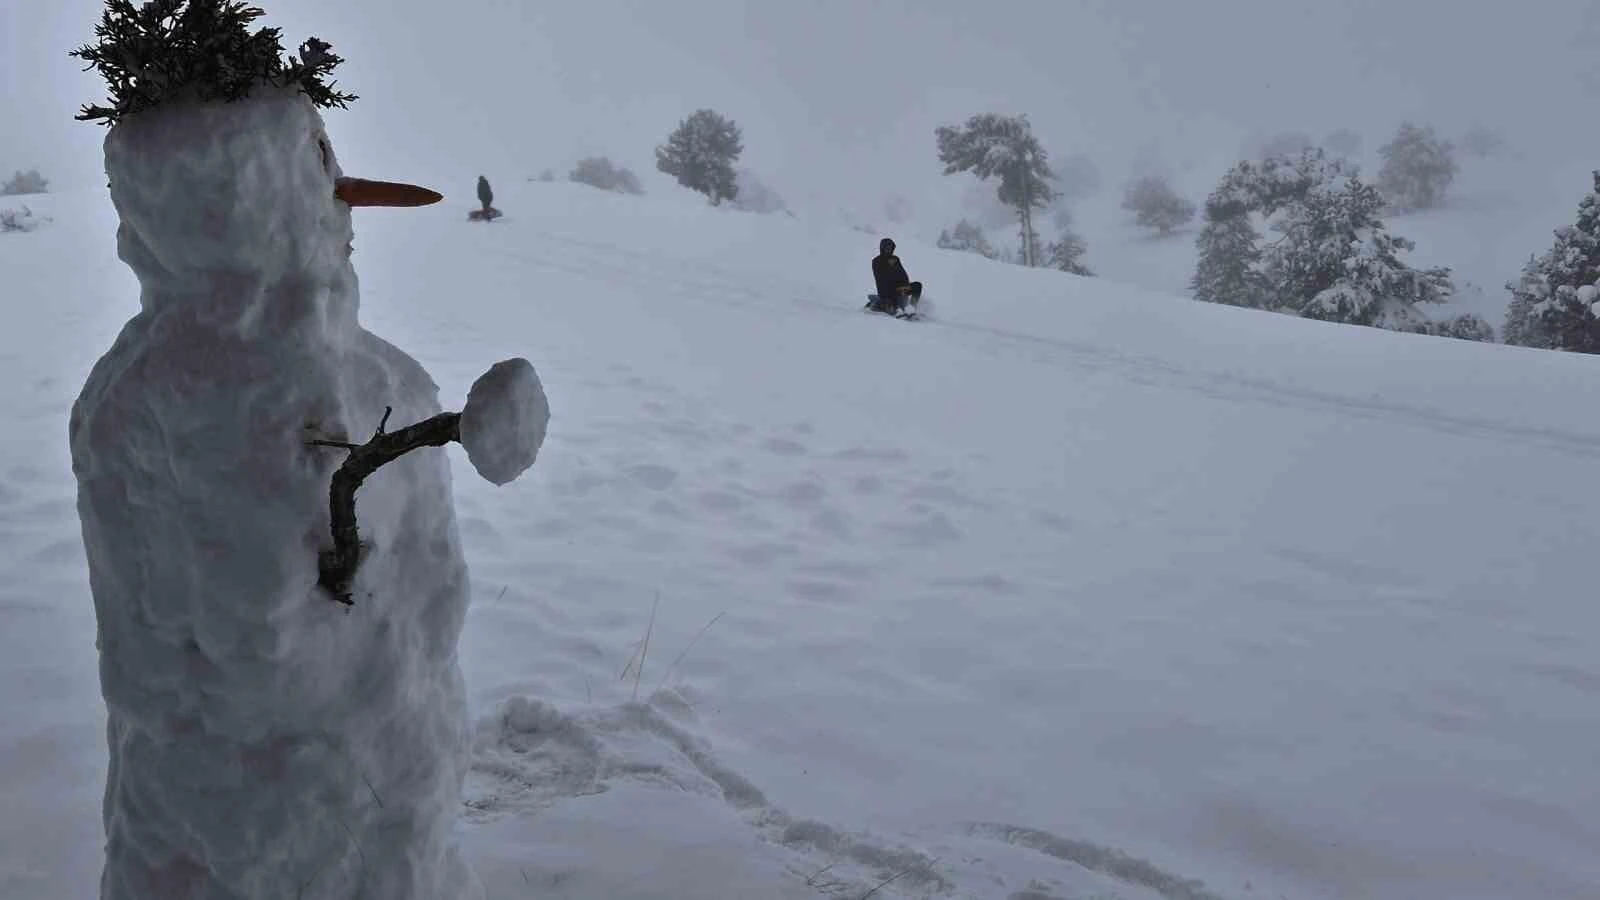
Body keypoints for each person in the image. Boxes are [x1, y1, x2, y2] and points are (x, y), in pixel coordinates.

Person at [871, 237, 921, 315]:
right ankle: (883, 305)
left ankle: (911, 309)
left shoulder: (895, 259)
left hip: (900, 289)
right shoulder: (877, 261)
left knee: (917, 285)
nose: (889, 249)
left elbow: (903, 274)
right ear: (882, 248)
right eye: (887, 247)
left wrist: (906, 285)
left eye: (891, 247)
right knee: (892, 309)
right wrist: (886, 298)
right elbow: (880, 279)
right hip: (887, 293)